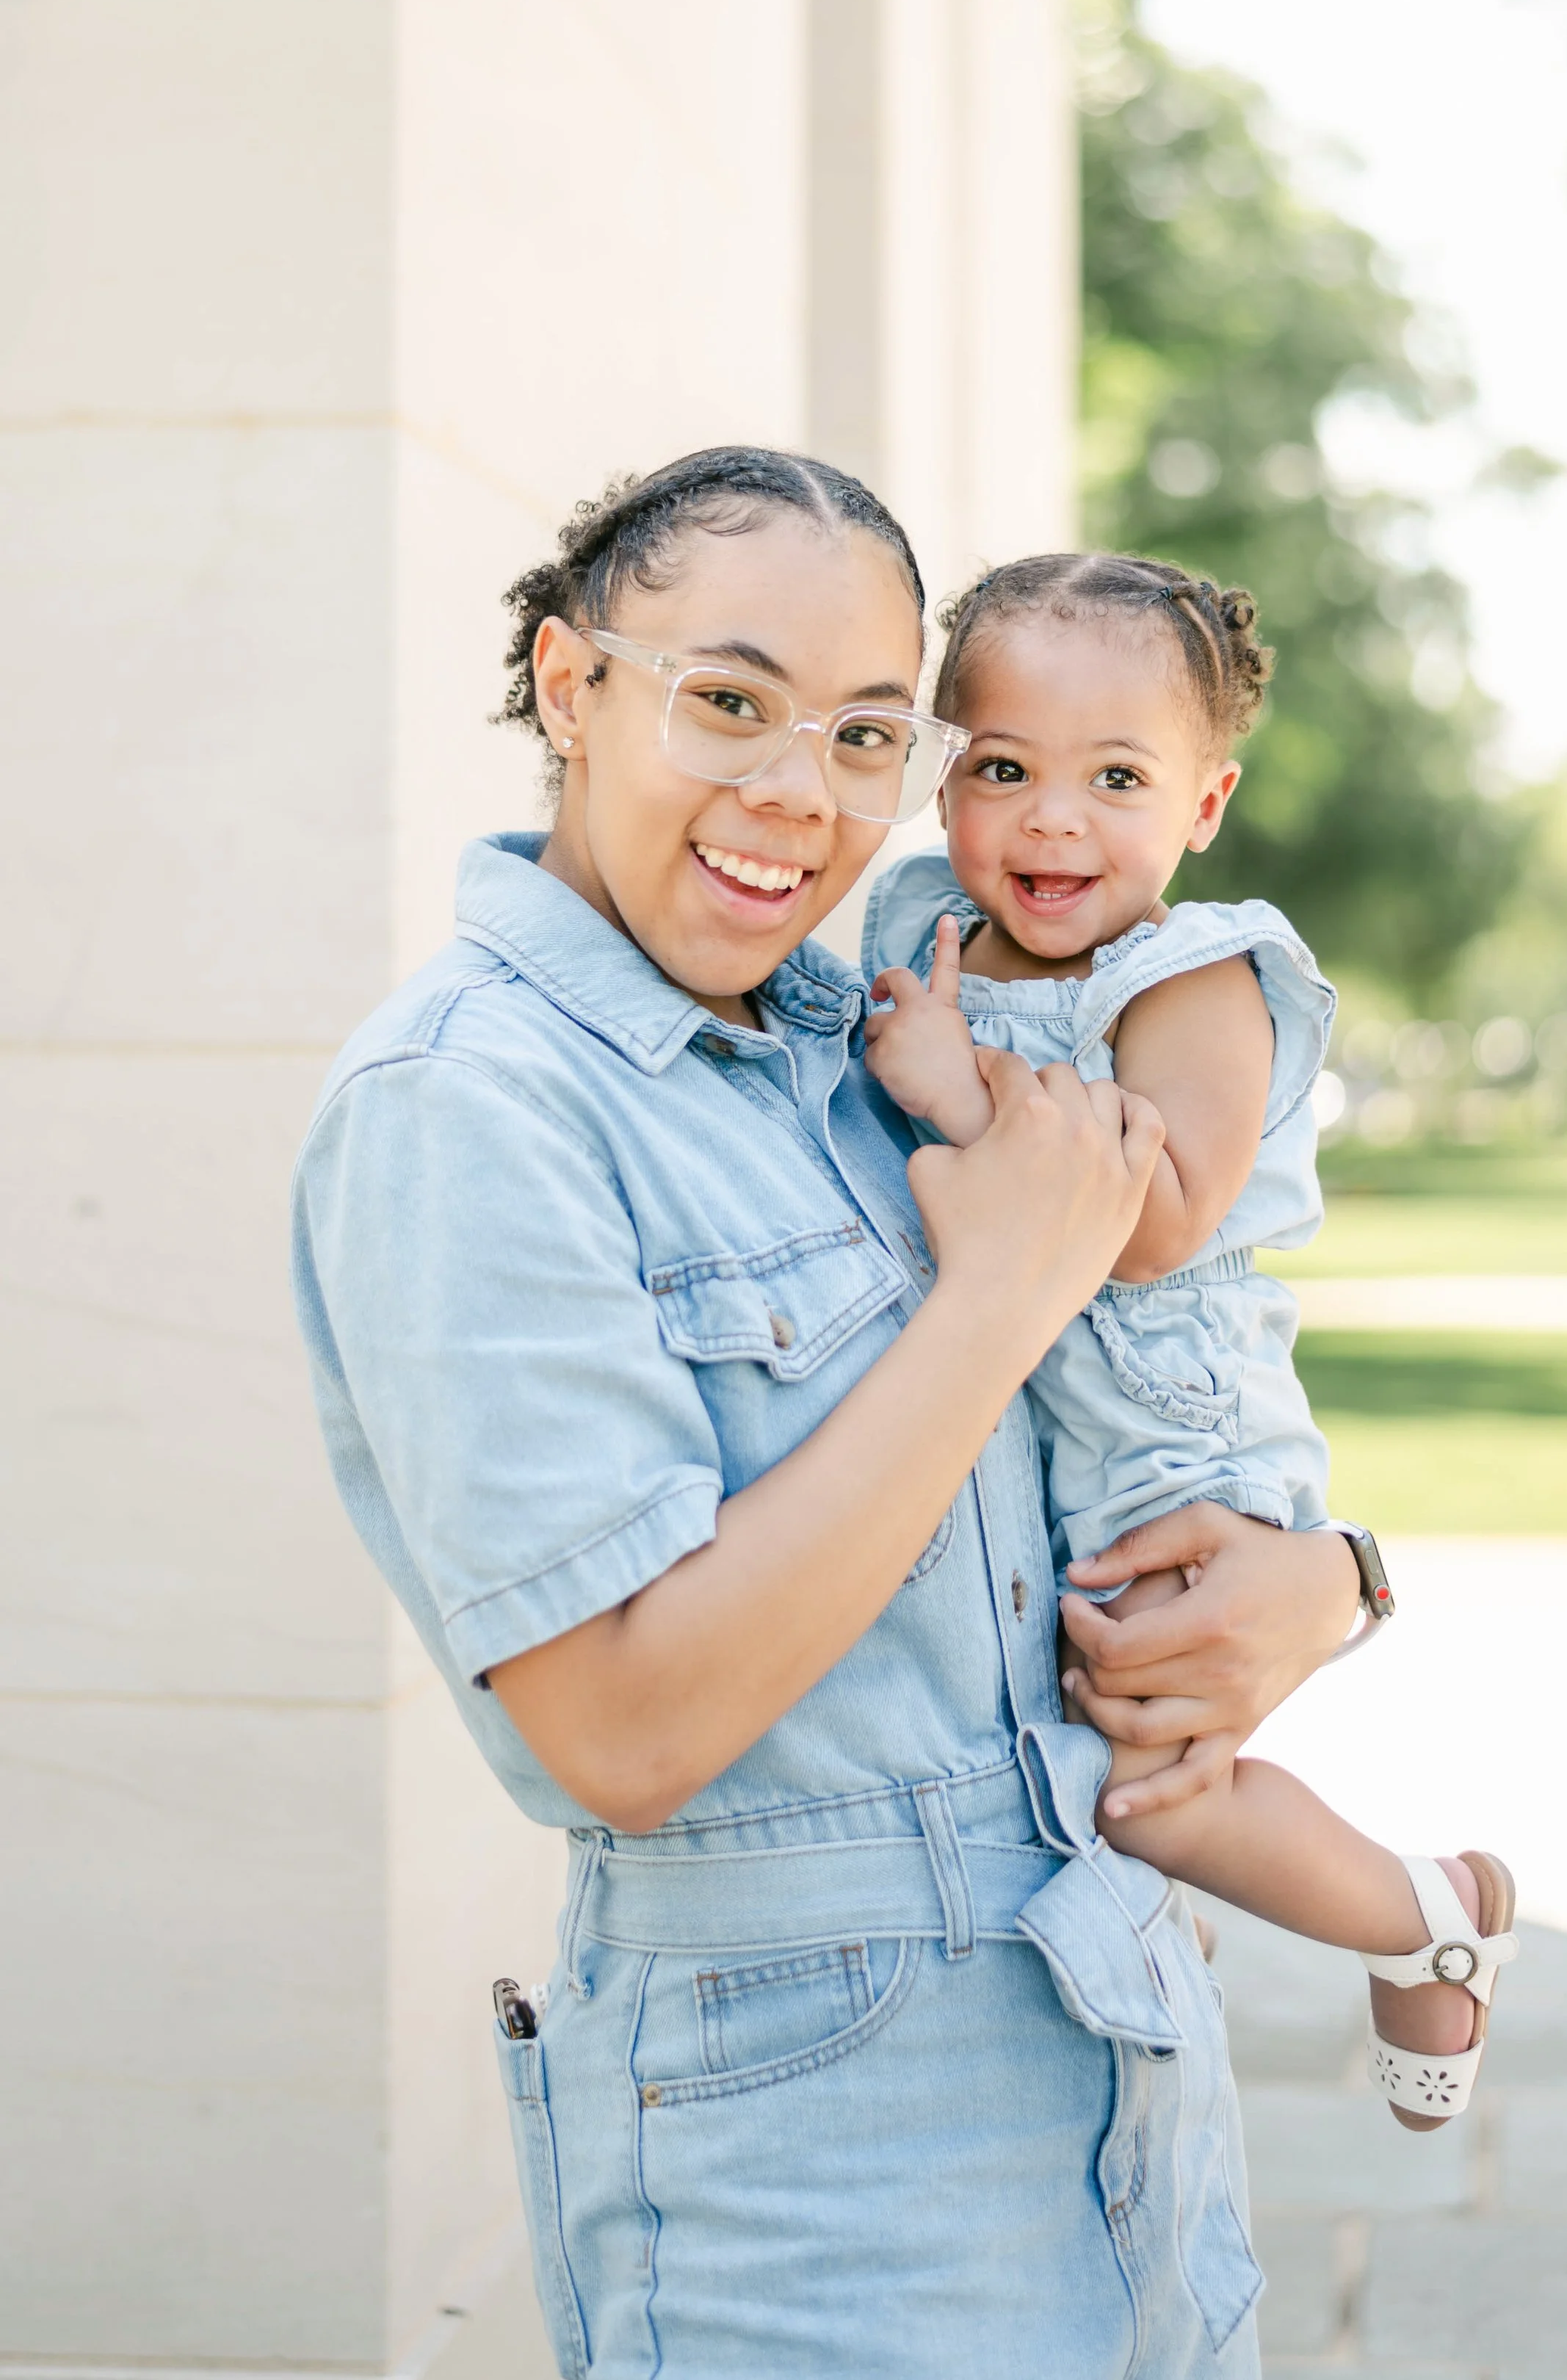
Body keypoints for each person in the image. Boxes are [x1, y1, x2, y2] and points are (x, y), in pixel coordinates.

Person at [290, 450, 1367, 2379]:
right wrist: (1002, 1286)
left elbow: (1122, 1395)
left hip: (1113, 2049)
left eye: (869, 733)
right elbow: (619, 1722)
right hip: (814, 2147)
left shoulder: (851, 1019)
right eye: (729, 699)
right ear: (567, 685)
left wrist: (1328, 1577)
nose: (801, 795)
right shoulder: (467, 1103)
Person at [861, 553, 1516, 2131]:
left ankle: (1425, 1916)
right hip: (1038, 1417)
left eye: (1114, 778)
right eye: (1001, 768)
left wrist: (957, 1095)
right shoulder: (913, 924)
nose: (1050, 821)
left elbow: (1149, 1222)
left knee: (1154, 1793)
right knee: (1081, 1761)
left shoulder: (1194, 976)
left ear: (1203, 803)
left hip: (1175, 1434)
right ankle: (1197, 1909)